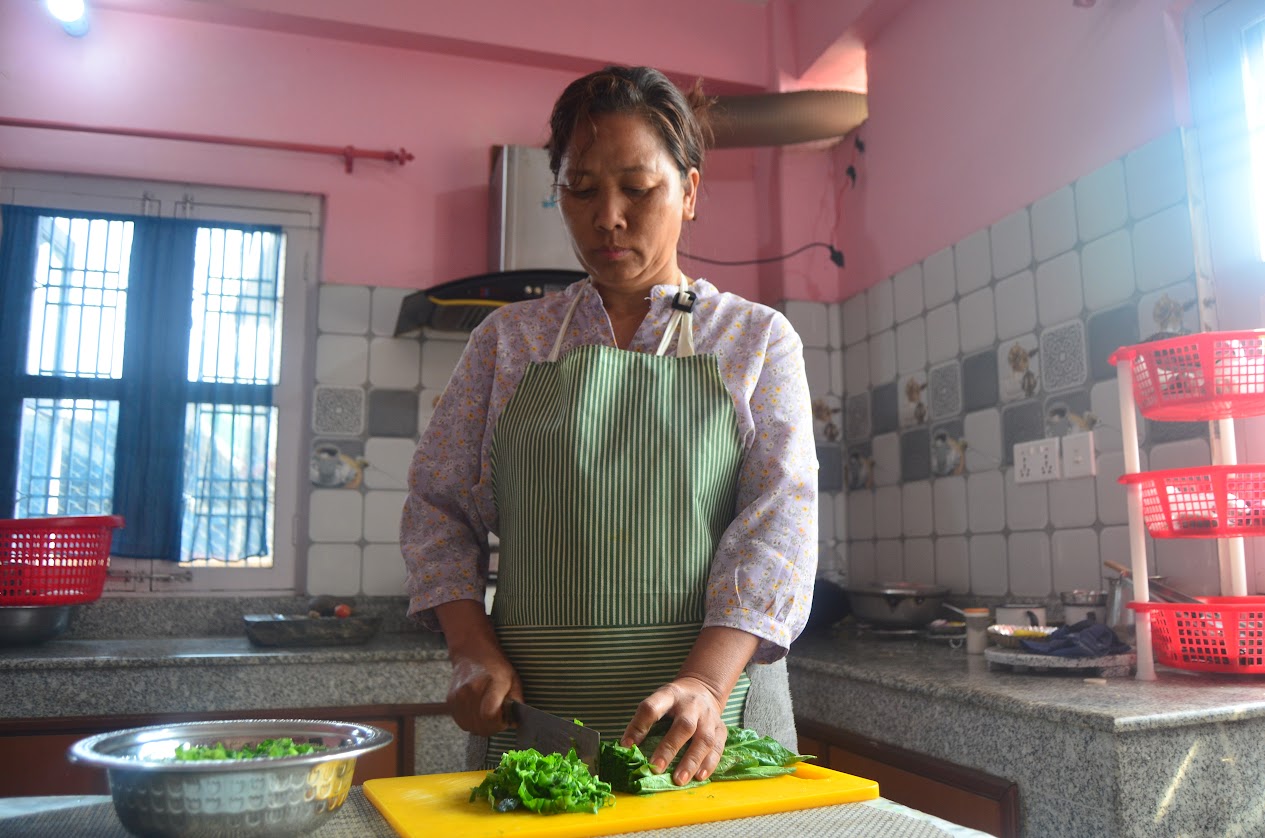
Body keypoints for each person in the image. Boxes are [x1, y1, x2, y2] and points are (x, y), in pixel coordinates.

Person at [400, 65, 818, 787]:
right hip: (538, 728)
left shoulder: (754, 339)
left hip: (713, 726)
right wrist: (470, 647)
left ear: (689, 191)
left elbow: (780, 521)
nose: (608, 217)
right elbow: (437, 507)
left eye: (638, 188)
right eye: (581, 188)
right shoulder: (508, 342)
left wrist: (707, 683)